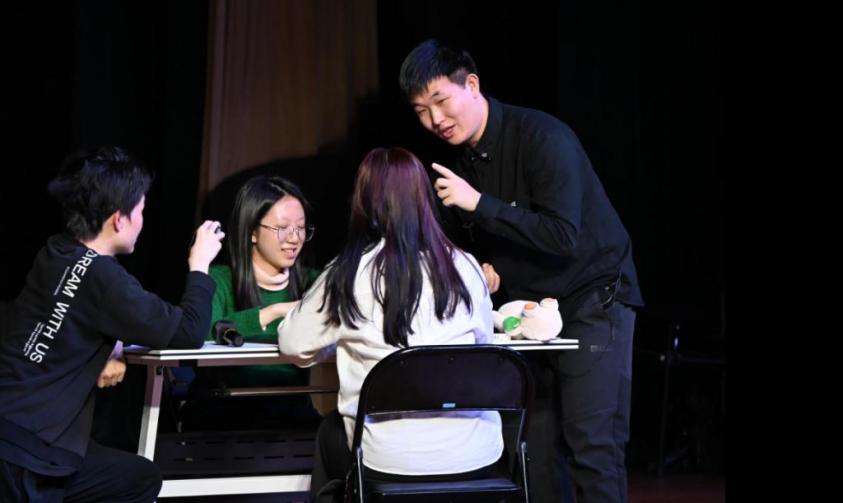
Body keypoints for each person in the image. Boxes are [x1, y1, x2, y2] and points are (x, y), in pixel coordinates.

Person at [399, 38, 643, 503]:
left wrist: (479, 203)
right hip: (526, 313)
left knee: (593, 446)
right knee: (533, 452)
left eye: (440, 101)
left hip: (592, 300)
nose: (435, 119)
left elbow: (563, 235)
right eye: (421, 111)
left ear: (472, 85)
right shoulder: (458, 162)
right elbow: (472, 241)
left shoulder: (543, 137)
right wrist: (481, 266)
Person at [0, 145, 224, 502]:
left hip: (15, 433)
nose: (142, 221)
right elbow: (188, 331)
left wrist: (113, 345)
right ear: (119, 219)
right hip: (31, 456)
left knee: (137, 477)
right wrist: (200, 265)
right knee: (137, 480)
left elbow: (72, 314)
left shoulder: (55, 252)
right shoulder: (104, 279)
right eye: (141, 211)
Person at [278, 147, 501, 503]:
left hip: (386, 460)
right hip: (476, 455)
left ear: (364, 204)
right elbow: (484, 347)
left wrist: (341, 338)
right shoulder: (467, 267)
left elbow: (292, 344)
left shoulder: (348, 272)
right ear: (423, 199)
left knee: (329, 433)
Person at [180, 175, 322, 430]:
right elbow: (200, 333)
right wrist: (272, 312)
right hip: (225, 414)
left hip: (290, 413)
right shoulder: (218, 280)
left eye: (301, 228)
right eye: (282, 228)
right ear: (252, 231)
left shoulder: (314, 283)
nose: (294, 238)